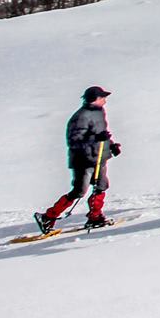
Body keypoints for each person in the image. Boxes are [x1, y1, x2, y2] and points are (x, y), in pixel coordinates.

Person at [33, 86, 122, 234]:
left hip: (99, 157)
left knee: (101, 186)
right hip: (83, 160)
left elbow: (102, 134)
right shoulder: (81, 116)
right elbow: (75, 140)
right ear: (95, 99)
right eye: (102, 97)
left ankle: (95, 217)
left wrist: (111, 146)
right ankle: (48, 217)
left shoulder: (99, 112)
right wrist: (96, 139)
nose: (105, 100)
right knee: (79, 191)